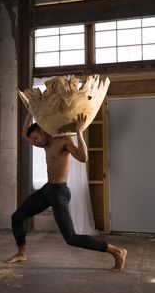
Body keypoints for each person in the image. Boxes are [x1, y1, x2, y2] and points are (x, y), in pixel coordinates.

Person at [7, 112, 127, 272]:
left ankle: (117, 251)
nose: (35, 142)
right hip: (47, 190)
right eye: (34, 139)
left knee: (71, 238)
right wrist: (30, 111)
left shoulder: (64, 141)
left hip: (59, 192)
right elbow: (24, 133)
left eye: (36, 137)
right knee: (17, 216)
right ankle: (22, 253)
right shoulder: (44, 144)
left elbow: (83, 158)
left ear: (43, 131)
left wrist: (79, 132)